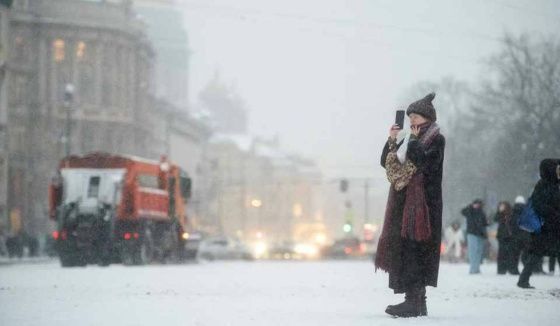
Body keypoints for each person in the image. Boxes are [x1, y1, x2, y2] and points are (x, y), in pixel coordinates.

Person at [375, 93, 445, 318]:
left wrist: (413, 142)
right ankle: (418, 301)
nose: (412, 120)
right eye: (410, 116)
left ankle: (413, 302)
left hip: (423, 205)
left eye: (415, 116)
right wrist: (393, 140)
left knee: (416, 251)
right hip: (405, 205)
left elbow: (425, 162)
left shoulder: (436, 138)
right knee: (407, 250)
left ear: (426, 117)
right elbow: (387, 163)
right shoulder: (409, 137)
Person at [518, 159, 560, 289]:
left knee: (539, 253)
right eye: (557, 169)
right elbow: (538, 205)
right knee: (536, 254)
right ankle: (523, 280)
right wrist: (553, 213)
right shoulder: (544, 185)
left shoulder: (554, 184)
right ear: (551, 170)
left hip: (553, 226)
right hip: (545, 227)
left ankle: (523, 280)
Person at [461, 199, 488, 274]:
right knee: (473, 251)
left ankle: (476, 268)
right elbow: (463, 211)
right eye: (475, 203)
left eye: (478, 204)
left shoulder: (482, 212)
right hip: (472, 233)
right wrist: (470, 206)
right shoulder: (469, 211)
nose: (477, 205)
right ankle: (472, 269)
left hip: (480, 234)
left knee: (478, 252)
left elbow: (485, 223)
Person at [494, 201, 520, 274]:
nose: (502, 207)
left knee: (511, 254)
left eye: (503, 206)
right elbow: (495, 219)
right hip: (502, 236)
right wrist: (500, 212)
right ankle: (501, 270)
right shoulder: (500, 214)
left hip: (510, 236)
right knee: (502, 254)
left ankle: (511, 269)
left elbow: (514, 223)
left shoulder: (511, 214)